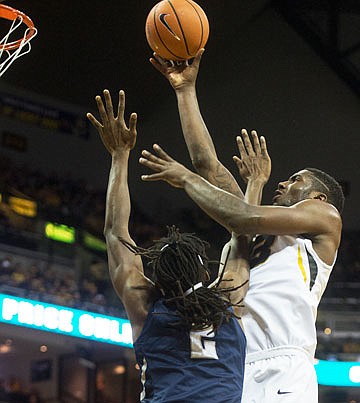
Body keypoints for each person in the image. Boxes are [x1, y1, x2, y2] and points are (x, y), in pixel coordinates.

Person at [141, 50, 345, 403]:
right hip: (233, 363)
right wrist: (185, 91)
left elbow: (240, 215)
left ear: (319, 197)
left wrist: (186, 181)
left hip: (284, 363)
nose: (283, 183)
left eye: (295, 180)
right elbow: (208, 165)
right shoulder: (252, 231)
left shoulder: (325, 219)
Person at [86, 89, 264, 402]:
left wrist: (119, 156)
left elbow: (115, 232)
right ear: (203, 270)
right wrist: (255, 186)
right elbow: (243, 231)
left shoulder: (146, 306)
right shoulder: (229, 299)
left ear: (158, 276)